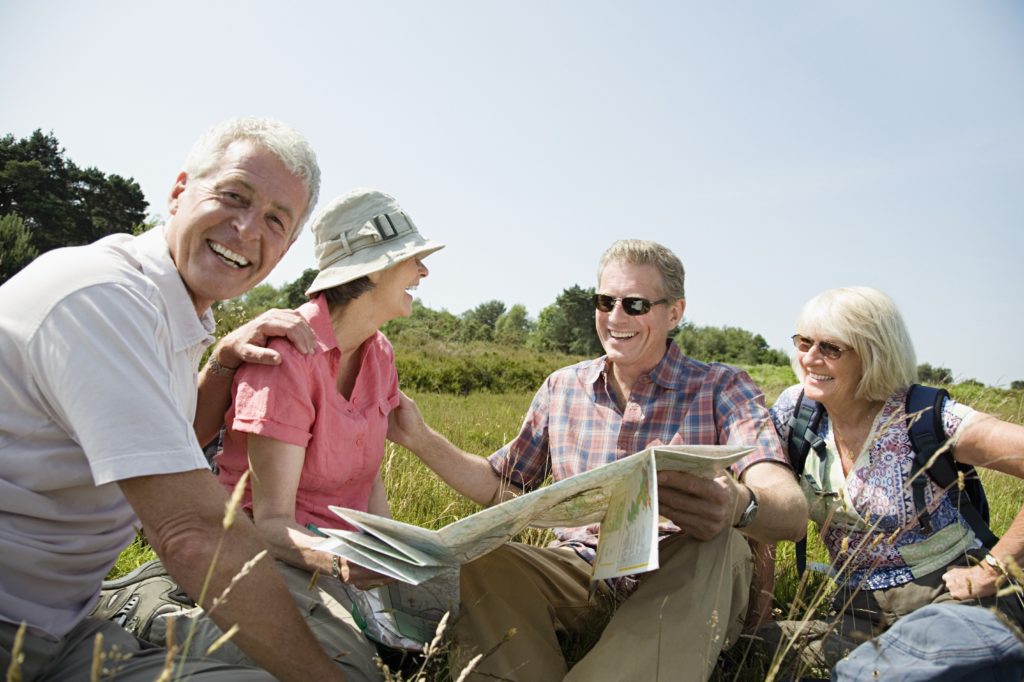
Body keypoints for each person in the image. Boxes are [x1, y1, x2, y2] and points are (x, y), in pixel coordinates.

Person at [0, 117, 353, 682]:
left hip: (62, 625)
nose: (245, 228)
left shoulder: (178, 317)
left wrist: (221, 363)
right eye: (234, 196)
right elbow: (191, 533)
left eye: (274, 221)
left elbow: (163, 443)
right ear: (177, 192)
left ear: (284, 251)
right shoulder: (105, 299)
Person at [387, 239, 808, 682]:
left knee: (720, 544)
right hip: (581, 570)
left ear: (675, 312)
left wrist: (741, 503)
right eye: (605, 301)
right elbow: (501, 484)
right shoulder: (563, 387)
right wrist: (419, 438)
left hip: (683, 569)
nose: (615, 317)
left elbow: (790, 510)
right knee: (476, 560)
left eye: (635, 304)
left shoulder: (723, 387)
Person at [131, 188, 444, 679]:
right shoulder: (287, 357)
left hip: (341, 552)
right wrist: (343, 561)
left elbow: (369, 481)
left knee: (463, 612)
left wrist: (389, 553)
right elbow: (269, 520)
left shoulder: (379, 352)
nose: (423, 272)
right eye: (413, 261)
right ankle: (152, 612)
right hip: (270, 549)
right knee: (345, 663)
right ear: (375, 270)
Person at [760, 286, 1024, 674]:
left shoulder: (926, 416)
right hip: (857, 610)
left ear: (873, 353)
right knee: (746, 649)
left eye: (831, 347)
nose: (810, 358)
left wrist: (990, 571)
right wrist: (760, 615)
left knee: (875, 673)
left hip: (950, 600)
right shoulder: (796, 410)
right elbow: (758, 497)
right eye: (804, 341)